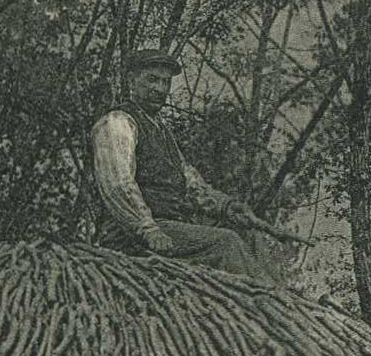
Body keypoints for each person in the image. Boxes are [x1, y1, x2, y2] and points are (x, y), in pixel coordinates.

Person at [90, 48, 283, 282]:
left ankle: (279, 297)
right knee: (226, 242)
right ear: (131, 80)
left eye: (165, 82)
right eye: (152, 79)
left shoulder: (163, 133)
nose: (160, 89)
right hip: (132, 235)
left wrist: (227, 207)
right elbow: (118, 184)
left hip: (171, 226)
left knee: (249, 234)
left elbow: (191, 184)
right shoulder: (118, 122)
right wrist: (147, 229)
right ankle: (260, 304)